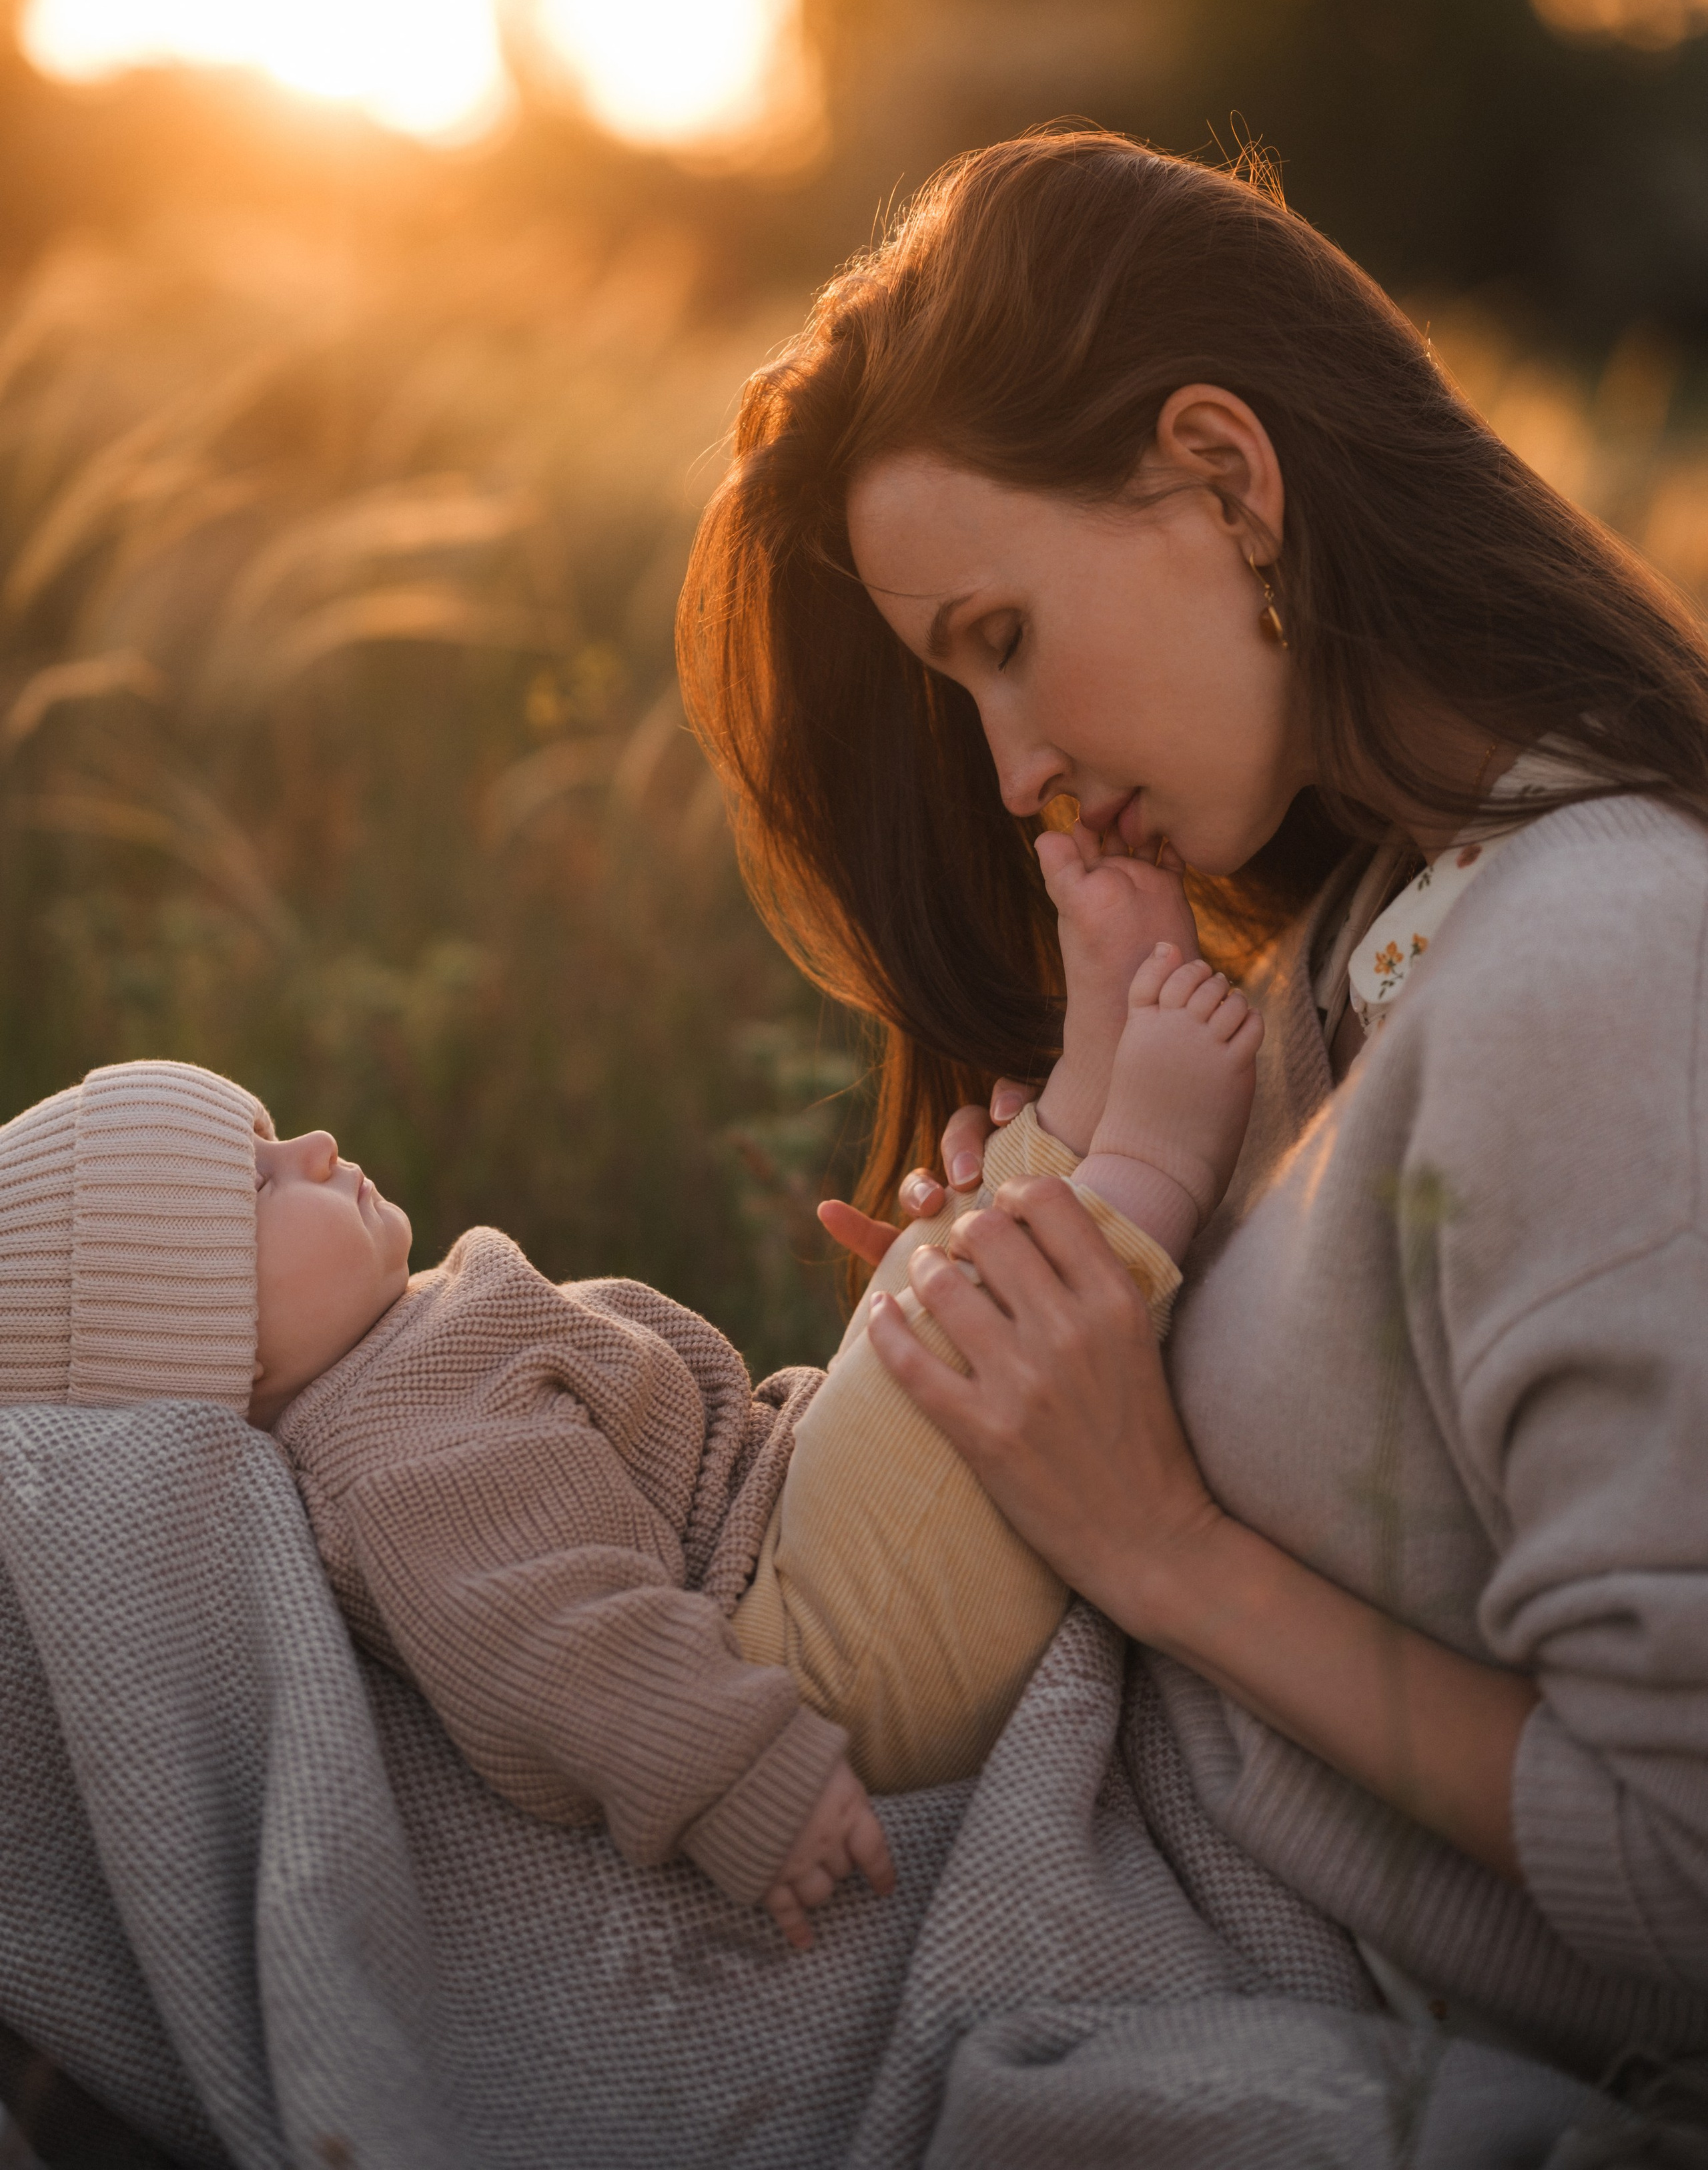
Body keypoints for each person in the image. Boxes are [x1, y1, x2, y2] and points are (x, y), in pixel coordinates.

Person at [677, 129, 1708, 2069]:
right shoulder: (1369, 932)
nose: (1013, 774)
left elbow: (1681, 1877)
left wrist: (1154, 1536)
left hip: (1116, 1971)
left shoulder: (1611, 962)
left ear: (1227, 482)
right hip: (995, 1875)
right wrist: (1036, 1316)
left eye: (1002, 646)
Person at [0, 862, 1258, 1956]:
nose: (318, 1147)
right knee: (958, 1371)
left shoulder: (406, 1350)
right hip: (810, 1664)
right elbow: (560, 1647)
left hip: (786, 1529)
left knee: (921, 1285)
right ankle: (1152, 1160)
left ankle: (1088, 1091)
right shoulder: (393, 1451)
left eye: (274, 1131)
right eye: (264, 1184)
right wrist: (748, 1779)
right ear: (215, 1334)